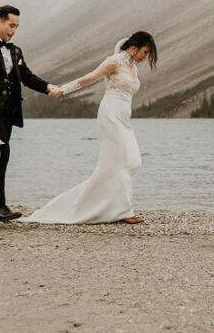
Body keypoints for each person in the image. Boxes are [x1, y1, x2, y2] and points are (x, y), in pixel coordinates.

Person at [20, 31, 158, 225]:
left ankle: (108, 205)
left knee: (133, 161)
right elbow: (89, 78)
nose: (145, 57)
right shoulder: (114, 62)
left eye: (147, 54)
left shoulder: (133, 68)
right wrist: (62, 90)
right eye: (145, 52)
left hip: (124, 118)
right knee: (121, 162)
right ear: (134, 47)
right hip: (110, 115)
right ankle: (123, 210)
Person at [0, 4, 62, 222]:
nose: (13, 31)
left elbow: (26, 76)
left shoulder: (15, 51)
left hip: (8, 114)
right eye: (11, 25)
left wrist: (48, 87)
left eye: (17, 27)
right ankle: (0, 208)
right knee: (1, 154)